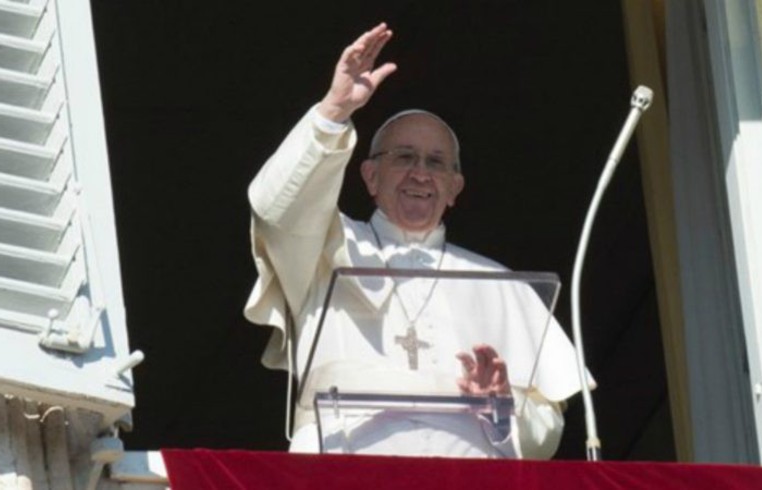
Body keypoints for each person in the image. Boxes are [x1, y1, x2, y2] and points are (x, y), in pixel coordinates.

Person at [244, 23, 591, 459]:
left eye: (436, 162)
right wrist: (334, 110)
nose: (420, 174)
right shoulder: (322, 249)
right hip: (346, 471)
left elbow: (546, 427)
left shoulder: (500, 283)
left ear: (455, 187)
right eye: (403, 157)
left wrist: (505, 407)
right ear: (370, 176)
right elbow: (276, 210)